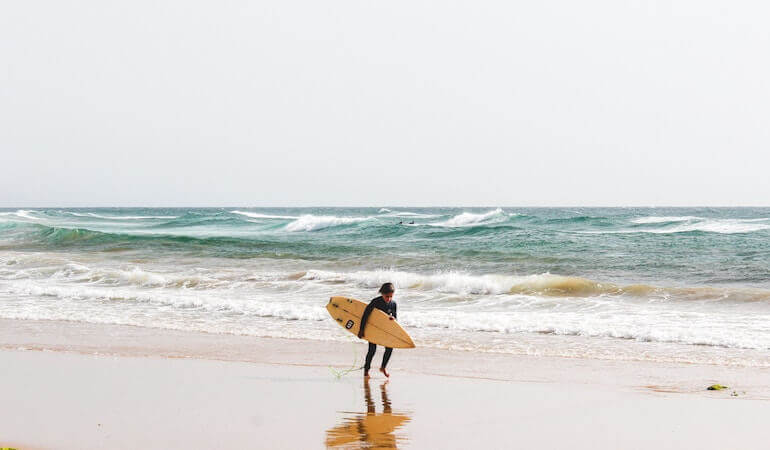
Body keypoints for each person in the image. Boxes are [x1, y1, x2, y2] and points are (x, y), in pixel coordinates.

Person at [358, 282, 397, 378]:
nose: (389, 299)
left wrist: (393, 319)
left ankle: (383, 367)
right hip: (373, 328)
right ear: (382, 293)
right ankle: (366, 370)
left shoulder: (393, 304)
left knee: (389, 348)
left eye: (391, 296)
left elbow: (395, 317)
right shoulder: (375, 302)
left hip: (385, 329)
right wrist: (361, 330)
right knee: (372, 350)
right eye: (386, 296)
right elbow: (365, 315)